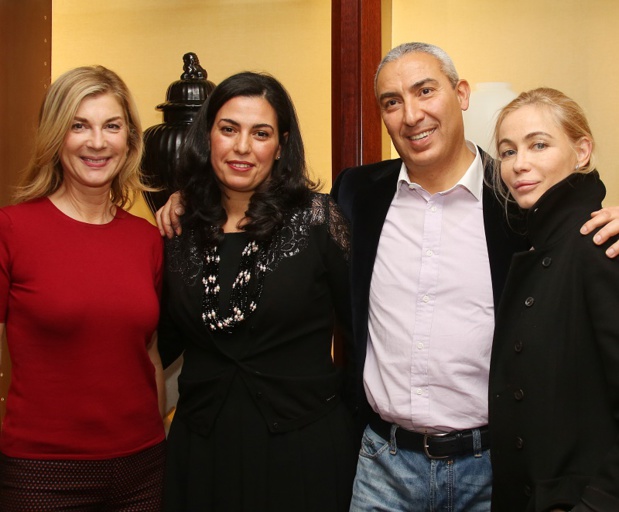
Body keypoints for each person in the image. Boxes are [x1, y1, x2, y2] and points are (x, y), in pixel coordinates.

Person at [156, 44, 619, 511]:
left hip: (493, 466)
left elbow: (572, 219)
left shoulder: (515, 196)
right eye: (392, 101)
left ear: (461, 94)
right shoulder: (358, 193)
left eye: (425, 91)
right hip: (382, 464)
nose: (411, 114)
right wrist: (186, 198)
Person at [157, 71, 357, 512]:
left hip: (304, 450)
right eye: (228, 129)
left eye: (260, 133)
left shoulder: (319, 220)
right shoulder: (179, 228)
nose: (242, 147)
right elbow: (159, 340)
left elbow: (361, 332)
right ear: (207, 136)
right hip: (203, 450)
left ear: (281, 145)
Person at [0, 65, 166, 511]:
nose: (97, 142)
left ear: (129, 139)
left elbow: (148, 355)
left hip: (143, 468)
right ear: (57, 137)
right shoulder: (12, 229)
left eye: (111, 126)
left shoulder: (146, 238)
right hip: (43, 473)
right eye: (79, 126)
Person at [489, 88, 619, 512]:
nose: (519, 164)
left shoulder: (599, 245)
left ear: (582, 151)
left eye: (538, 145)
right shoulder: (537, 242)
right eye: (507, 152)